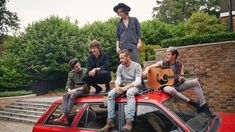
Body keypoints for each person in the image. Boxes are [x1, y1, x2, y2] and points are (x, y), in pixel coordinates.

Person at [143, 47, 212, 116]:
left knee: (195, 81)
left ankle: (203, 105)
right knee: (171, 90)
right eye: (166, 54)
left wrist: (182, 79)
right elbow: (150, 67)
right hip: (165, 86)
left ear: (174, 55)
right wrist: (146, 70)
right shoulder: (163, 63)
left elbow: (182, 76)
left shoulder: (180, 64)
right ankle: (191, 102)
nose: (166, 56)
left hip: (177, 85)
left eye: (168, 54)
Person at [99, 49, 142, 132]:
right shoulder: (120, 67)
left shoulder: (137, 66)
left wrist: (125, 88)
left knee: (129, 93)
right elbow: (118, 79)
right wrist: (117, 86)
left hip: (135, 86)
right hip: (123, 86)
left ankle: (129, 121)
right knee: (111, 94)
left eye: (122, 58)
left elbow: (138, 81)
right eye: (120, 58)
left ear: (128, 57)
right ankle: (110, 121)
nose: (120, 60)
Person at [114, 3, 147, 90]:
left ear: (125, 11)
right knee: (125, 66)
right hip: (123, 47)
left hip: (133, 46)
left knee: (137, 64)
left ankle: (142, 85)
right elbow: (117, 36)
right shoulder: (118, 24)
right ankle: (125, 85)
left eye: (120, 11)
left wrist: (139, 42)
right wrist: (117, 46)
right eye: (118, 12)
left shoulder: (134, 20)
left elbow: (139, 32)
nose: (119, 14)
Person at [53, 58, 90, 125]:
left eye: (78, 65)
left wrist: (74, 90)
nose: (78, 67)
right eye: (76, 67)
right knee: (65, 95)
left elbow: (86, 86)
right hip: (74, 90)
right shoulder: (71, 73)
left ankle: (64, 117)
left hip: (84, 91)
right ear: (73, 68)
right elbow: (68, 85)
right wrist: (69, 90)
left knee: (72, 95)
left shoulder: (85, 71)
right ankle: (64, 116)